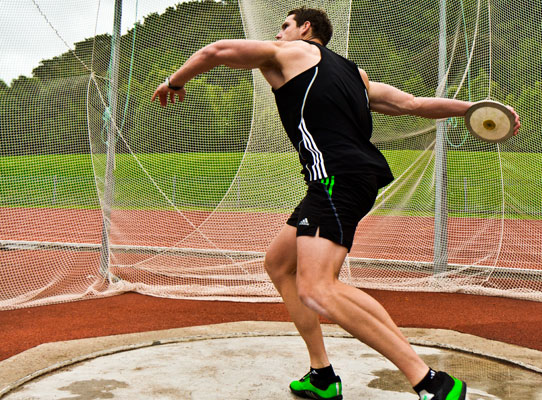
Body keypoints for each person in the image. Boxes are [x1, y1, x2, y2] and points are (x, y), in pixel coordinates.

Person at [153, 7, 520, 400]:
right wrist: (474, 109)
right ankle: (322, 376)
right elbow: (412, 103)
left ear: (305, 29)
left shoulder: (289, 55)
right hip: (343, 179)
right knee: (279, 264)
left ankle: (432, 383)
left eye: (284, 26)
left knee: (317, 289)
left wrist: (174, 82)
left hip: (336, 179)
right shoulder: (355, 76)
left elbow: (216, 51)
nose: (278, 36)